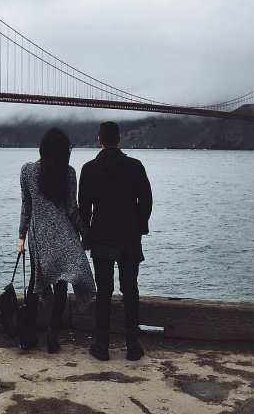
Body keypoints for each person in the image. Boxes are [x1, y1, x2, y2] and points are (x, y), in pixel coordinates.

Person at [79, 121, 152, 361]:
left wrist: (86, 236)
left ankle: (102, 346)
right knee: (130, 290)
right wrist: (141, 226)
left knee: (104, 292)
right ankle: (133, 346)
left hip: (101, 238)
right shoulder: (135, 166)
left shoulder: (88, 169)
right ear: (119, 139)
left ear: (99, 139)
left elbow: (84, 208)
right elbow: (147, 200)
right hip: (129, 238)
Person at [17, 127, 96, 353]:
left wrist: (21, 236)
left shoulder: (27, 171)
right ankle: (52, 336)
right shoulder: (69, 173)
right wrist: (86, 233)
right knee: (61, 284)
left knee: (35, 282)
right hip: (64, 235)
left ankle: (27, 334)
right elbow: (72, 210)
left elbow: (26, 208)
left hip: (39, 235)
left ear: (42, 148)